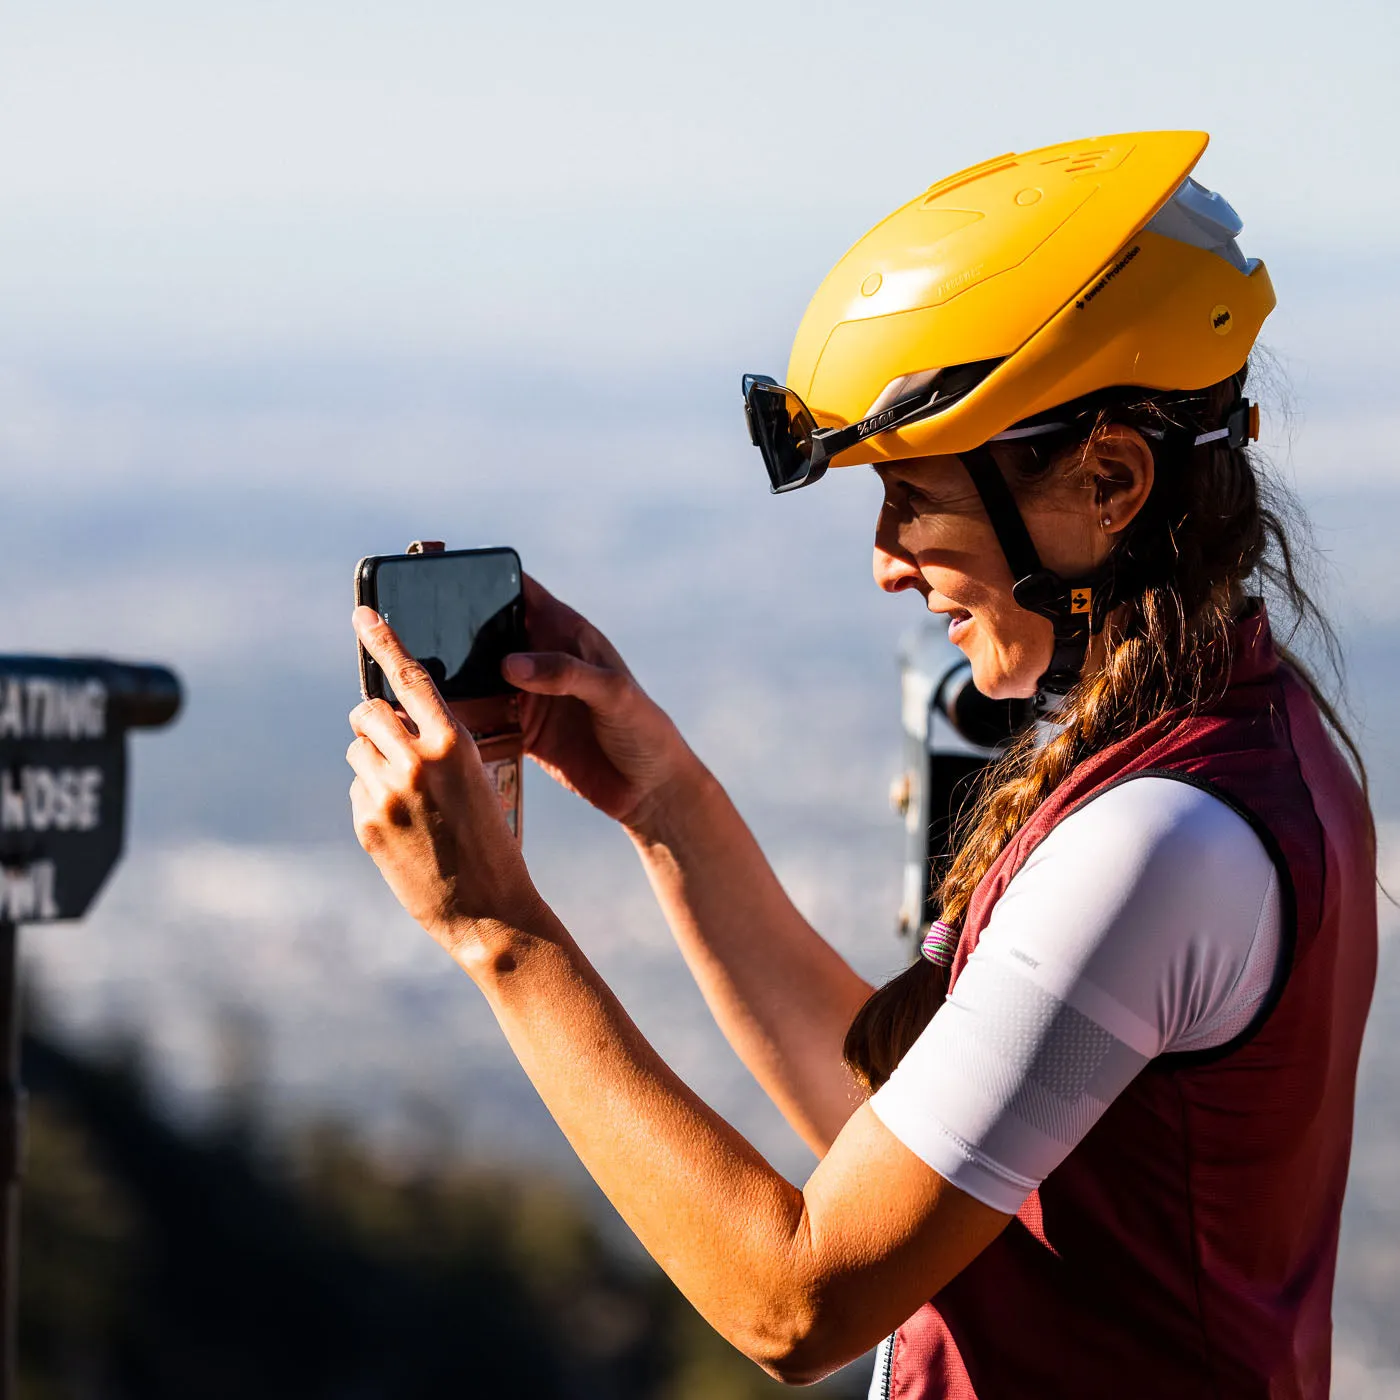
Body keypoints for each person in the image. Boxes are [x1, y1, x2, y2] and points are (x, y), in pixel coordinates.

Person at [345, 131, 1377, 1398]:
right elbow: (892, 1150)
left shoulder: (1156, 841)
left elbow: (797, 1299)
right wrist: (661, 801)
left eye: (913, 498)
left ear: (1107, 479)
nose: (886, 558)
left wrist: (494, 930)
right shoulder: (1223, 740)